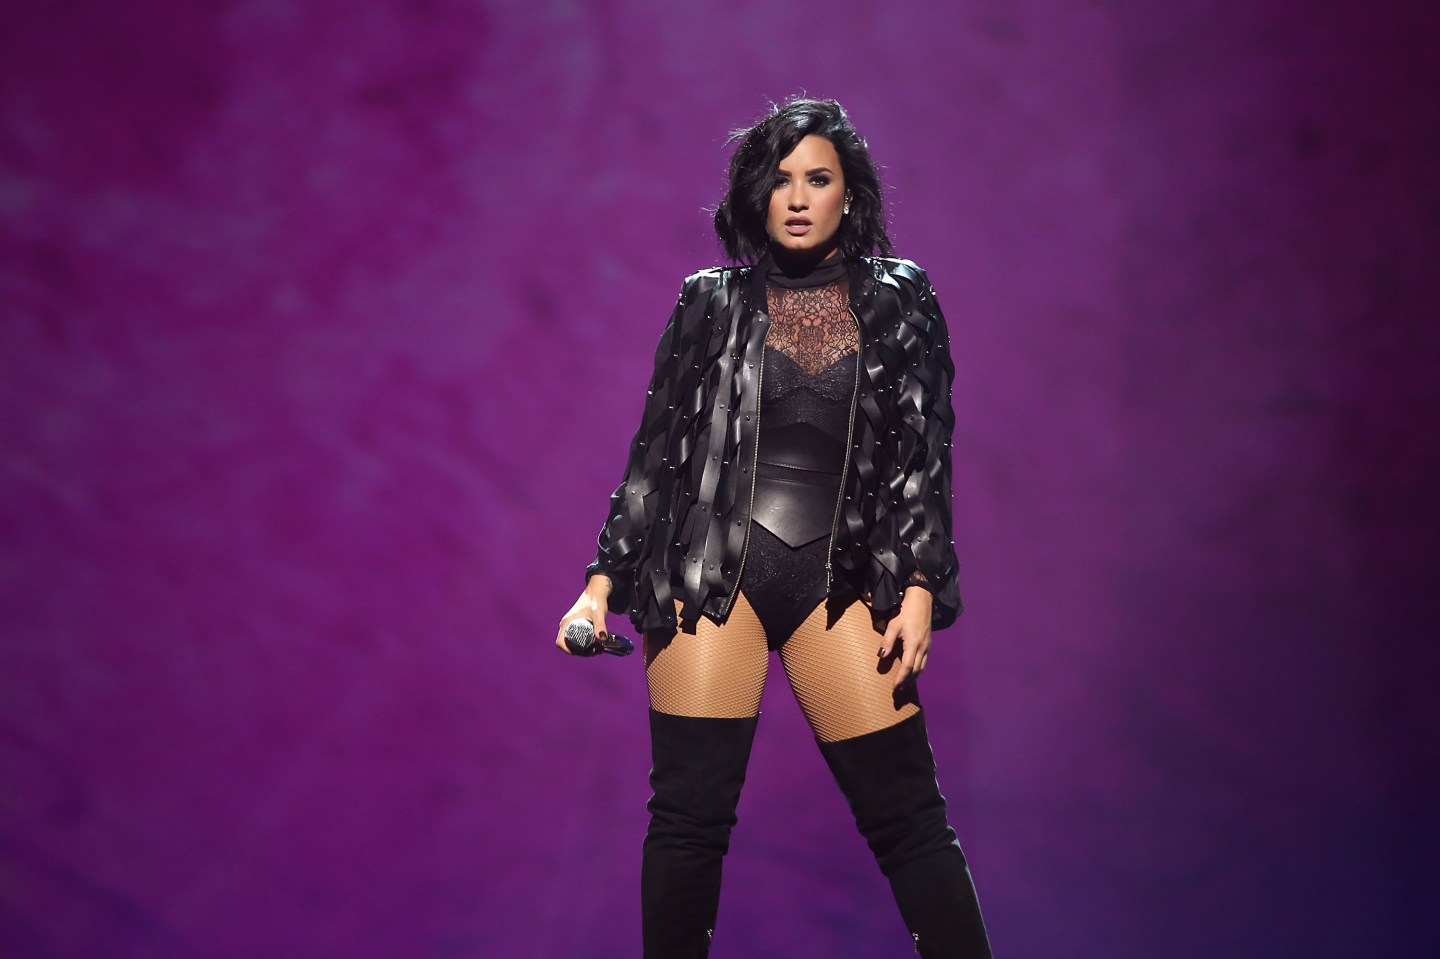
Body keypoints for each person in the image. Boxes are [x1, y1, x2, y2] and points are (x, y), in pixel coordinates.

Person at [556, 97, 992, 959]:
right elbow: (655, 455)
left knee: (909, 820)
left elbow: (923, 452)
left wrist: (917, 587)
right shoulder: (708, 301)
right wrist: (598, 589)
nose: (796, 198)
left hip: (842, 580)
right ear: (755, 196)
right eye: (779, 180)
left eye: (817, 179)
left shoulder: (901, 296)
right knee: (687, 820)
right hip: (709, 574)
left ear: (848, 193)